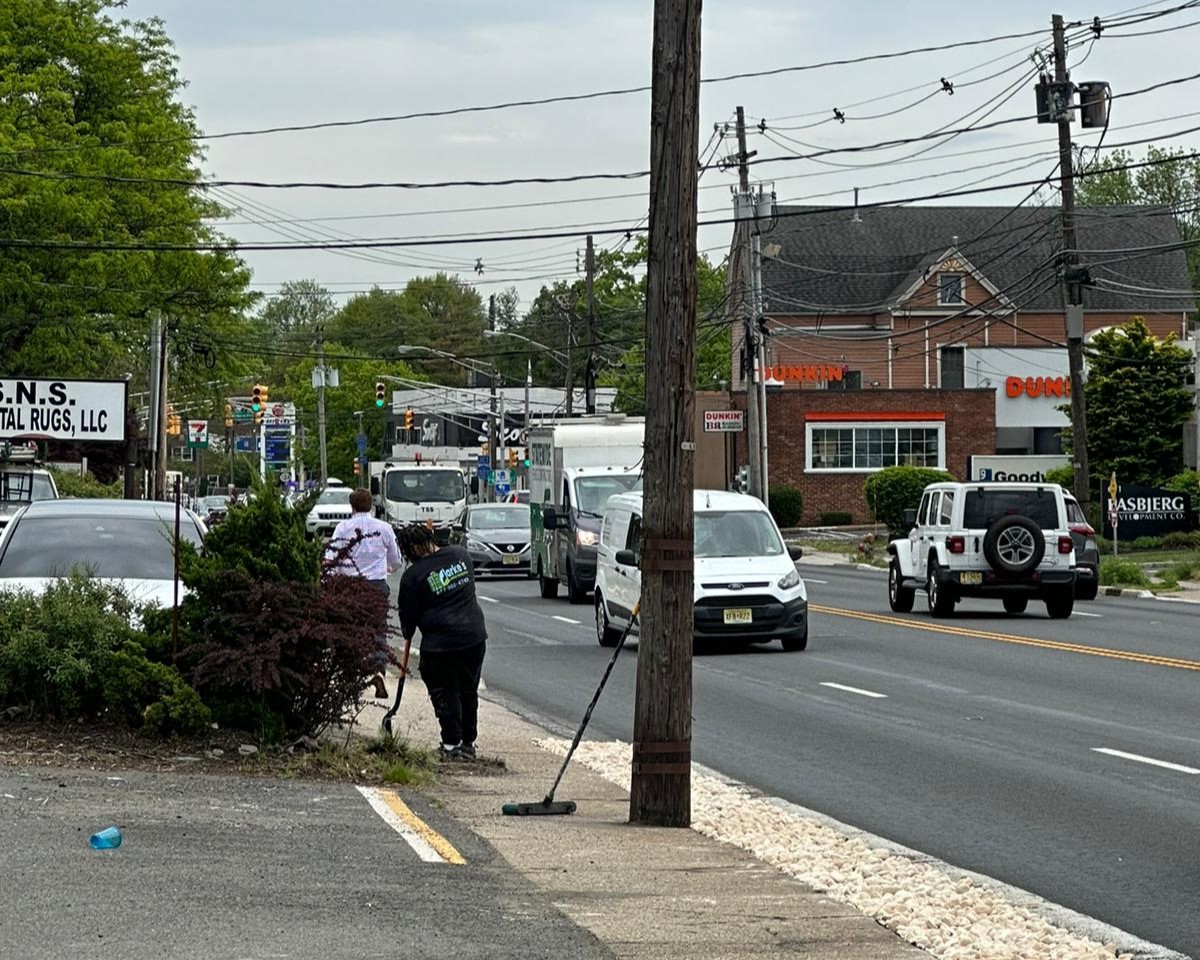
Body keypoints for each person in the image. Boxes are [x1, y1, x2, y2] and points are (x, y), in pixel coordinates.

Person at [395, 523, 487, 760]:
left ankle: (451, 744)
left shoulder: (413, 576)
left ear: (413, 548)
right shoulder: (460, 555)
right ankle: (468, 742)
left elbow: (408, 618)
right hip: (474, 636)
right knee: (468, 689)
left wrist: (408, 630)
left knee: (445, 692)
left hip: (441, 645)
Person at [327, 488, 404, 699]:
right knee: (378, 631)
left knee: (350, 630)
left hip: (350, 586)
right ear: (371, 505)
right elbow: (396, 560)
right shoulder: (384, 528)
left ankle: (350, 675)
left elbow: (331, 557)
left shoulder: (343, 528)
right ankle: (378, 670)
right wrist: (388, 568)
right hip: (377, 585)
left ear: (351, 506)